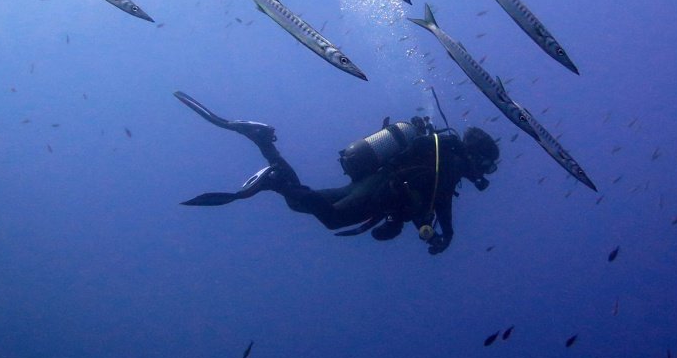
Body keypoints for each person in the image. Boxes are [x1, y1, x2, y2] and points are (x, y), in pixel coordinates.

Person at [174, 91, 499, 255]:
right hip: (381, 188)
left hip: (376, 183)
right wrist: (448, 234)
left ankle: (266, 147)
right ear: (477, 157)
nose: (483, 173)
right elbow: (438, 200)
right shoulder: (451, 164)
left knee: (302, 203)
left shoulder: (441, 155)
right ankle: (273, 178)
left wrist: (412, 221)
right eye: (486, 166)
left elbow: (423, 196)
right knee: (331, 217)